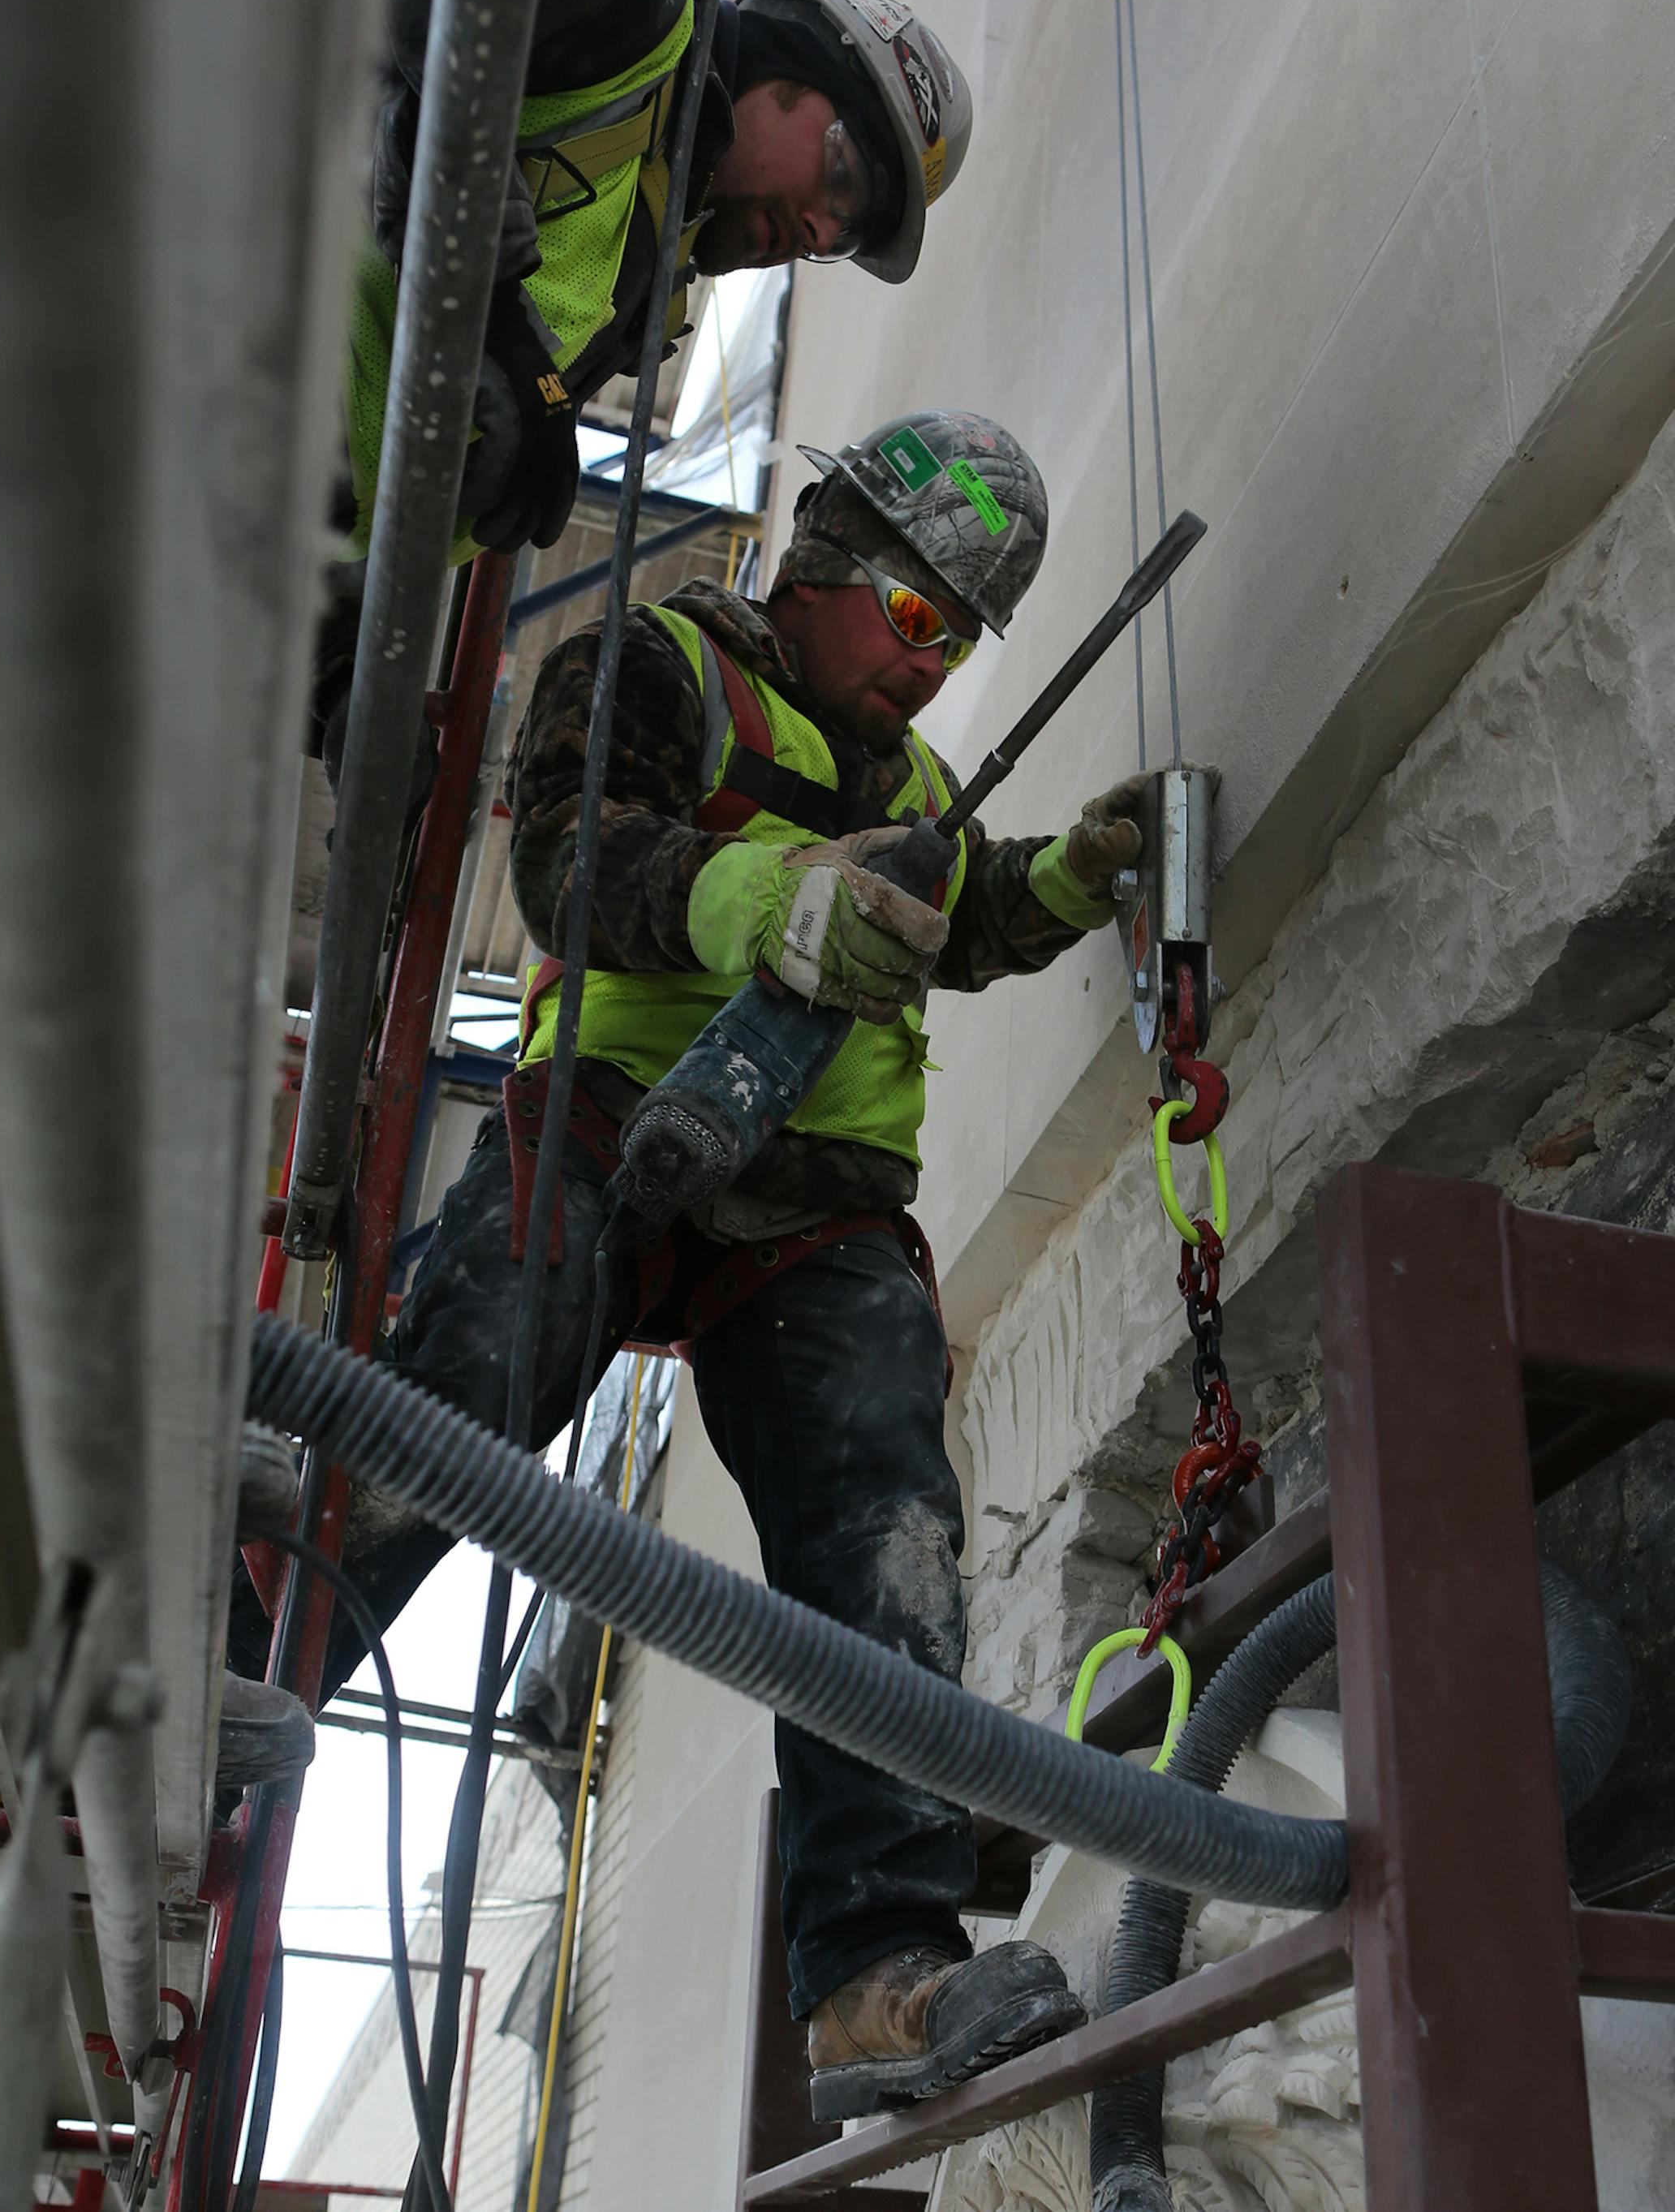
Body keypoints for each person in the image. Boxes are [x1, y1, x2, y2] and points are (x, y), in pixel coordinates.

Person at [299, 409, 1158, 2118]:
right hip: (619, 1111)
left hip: (817, 1200)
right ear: (830, 557)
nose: (932, 669)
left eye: (961, 638)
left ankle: (874, 1974)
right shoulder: (664, 659)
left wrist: (1063, 874)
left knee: (883, 1532)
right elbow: (565, 860)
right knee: (474, 1378)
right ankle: (250, 1657)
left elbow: (961, 914)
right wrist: (766, 901)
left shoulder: (915, 789)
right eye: (918, 617)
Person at [341, 0, 975, 568]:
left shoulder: (631, 279)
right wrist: (493, 307)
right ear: (790, 62)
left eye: (843, 236)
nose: (816, 229)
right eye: (844, 177)